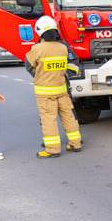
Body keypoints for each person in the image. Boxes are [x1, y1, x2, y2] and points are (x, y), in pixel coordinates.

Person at [25, 16, 83, 158]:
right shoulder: (63, 48)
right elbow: (68, 66)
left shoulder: (37, 49)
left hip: (45, 92)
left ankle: (52, 149)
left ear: (40, 32)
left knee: (48, 119)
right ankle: (75, 143)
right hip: (62, 89)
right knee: (68, 116)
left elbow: (29, 66)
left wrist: (40, 74)